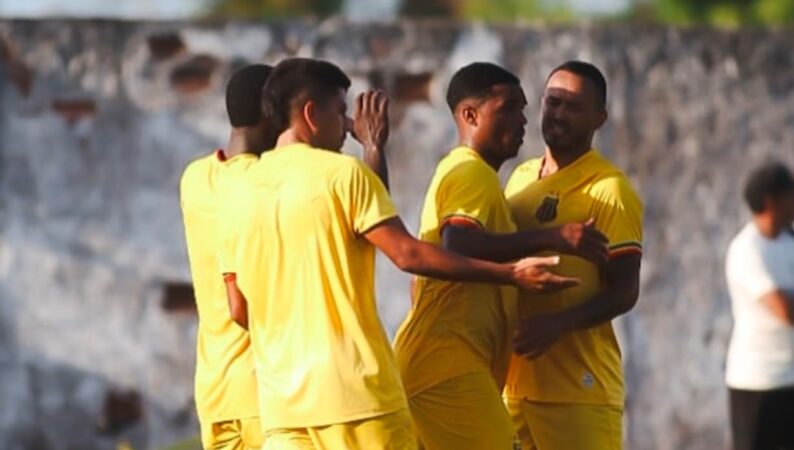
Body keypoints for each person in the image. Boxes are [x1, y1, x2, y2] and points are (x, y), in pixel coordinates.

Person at [219, 57, 580, 450]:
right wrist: (511, 273)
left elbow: (240, 309)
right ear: (310, 114)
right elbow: (407, 253)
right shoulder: (343, 173)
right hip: (358, 396)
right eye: (341, 112)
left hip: (283, 406)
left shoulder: (239, 191)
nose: (347, 126)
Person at [392, 62, 609, 450]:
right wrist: (552, 239)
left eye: (524, 107)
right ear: (470, 115)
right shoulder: (470, 173)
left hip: (444, 367)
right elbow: (459, 244)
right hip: (448, 370)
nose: (523, 119)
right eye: (508, 107)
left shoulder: (481, 179)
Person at [504, 60, 644, 450]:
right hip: (513, 389)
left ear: (599, 118)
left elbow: (625, 290)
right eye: (553, 102)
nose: (559, 113)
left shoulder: (609, 189)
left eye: (574, 106)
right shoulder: (518, 177)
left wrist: (557, 323)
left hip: (578, 391)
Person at [179, 64, 275, 450]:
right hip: (263, 392)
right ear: (273, 114)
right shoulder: (264, 182)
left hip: (215, 389)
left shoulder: (195, 177)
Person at [725, 162, 794, 450]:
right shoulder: (747, 250)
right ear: (771, 201)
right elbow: (787, 312)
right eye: (792, 195)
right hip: (759, 385)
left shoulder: (793, 241)